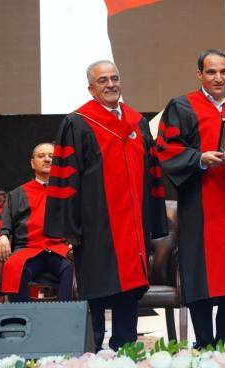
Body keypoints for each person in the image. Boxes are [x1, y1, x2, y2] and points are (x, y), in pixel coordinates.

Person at [44, 60, 167, 351]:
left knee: (130, 288)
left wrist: (153, 220)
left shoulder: (137, 122)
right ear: (91, 88)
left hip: (134, 224)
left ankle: (125, 347)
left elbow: (152, 174)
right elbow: (66, 178)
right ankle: (92, 348)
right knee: (95, 287)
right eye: (103, 80)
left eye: (114, 78)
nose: (111, 84)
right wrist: (71, 228)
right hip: (96, 223)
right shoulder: (78, 123)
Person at [156, 49, 225, 348]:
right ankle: (204, 343)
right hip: (199, 207)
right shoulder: (182, 106)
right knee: (199, 275)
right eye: (211, 72)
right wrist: (199, 159)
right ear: (199, 74)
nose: (218, 77)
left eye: (223, 71)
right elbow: (166, 148)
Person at [0, 143, 74, 302]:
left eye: (51, 156)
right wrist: (3, 236)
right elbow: (5, 222)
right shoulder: (17, 194)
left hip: (60, 248)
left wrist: (75, 241)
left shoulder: (69, 192)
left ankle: (66, 315)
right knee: (15, 267)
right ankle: (21, 314)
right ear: (32, 163)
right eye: (41, 156)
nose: (47, 159)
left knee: (70, 267)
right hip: (27, 249)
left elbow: (78, 222)